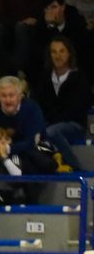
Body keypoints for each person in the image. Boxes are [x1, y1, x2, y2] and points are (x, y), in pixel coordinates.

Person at [37, 37, 90, 171]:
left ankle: (77, 168)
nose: (58, 56)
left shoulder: (80, 78)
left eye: (62, 51)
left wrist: (50, 121)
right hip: (51, 124)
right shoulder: (44, 77)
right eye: (54, 52)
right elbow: (39, 105)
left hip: (74, 125)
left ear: (69, 54)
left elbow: (76, 111)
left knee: (51, 131)